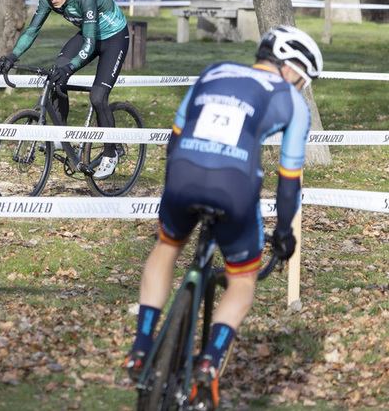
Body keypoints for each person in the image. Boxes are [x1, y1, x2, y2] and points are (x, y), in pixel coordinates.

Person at [124, 26, 322, 411]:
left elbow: (175, 138)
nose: (300, 89)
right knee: (244, 277)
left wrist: (175, 189)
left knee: (167, 245)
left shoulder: (212, 71)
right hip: (233, 188)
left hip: (183, 171)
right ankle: (211, 362)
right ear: (291, 69)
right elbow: (289, 179)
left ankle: (141, 345)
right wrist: (284, 234)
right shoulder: (292, 103)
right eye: (302, 81)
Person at [0, 0, 129, 179]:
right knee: (55, 74)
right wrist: (11, 57)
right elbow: (32, 30)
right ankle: (61, 134)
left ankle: (111, 152)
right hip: (89, 33)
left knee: (97, 97)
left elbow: (90, 45)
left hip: (113, 38)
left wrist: (71, 67)